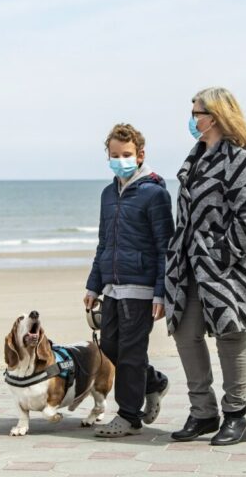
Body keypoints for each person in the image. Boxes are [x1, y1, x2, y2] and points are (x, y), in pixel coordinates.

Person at [164, 87, 246, 446]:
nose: (191, 118)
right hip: (191, 263)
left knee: (230, 331)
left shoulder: (243, 159)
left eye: (195, 112)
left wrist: (221, 254)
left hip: (230, 268)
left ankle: (237, 416)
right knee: (184, 330)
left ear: (213, 116)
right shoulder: (195, 157)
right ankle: (203, 412)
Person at [84, 123, 174, 437]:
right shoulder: (108, 194)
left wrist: (161, 294)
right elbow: (103, 242)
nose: (120, 159)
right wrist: (93, 284)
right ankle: (154, 382)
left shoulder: (155, 193)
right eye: (114, 155)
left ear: (140, 155)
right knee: (110, 345)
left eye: (126, 154)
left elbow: (165, 246)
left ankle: (128, 415)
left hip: (142, 287)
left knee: (132, 351)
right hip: (112, 287)